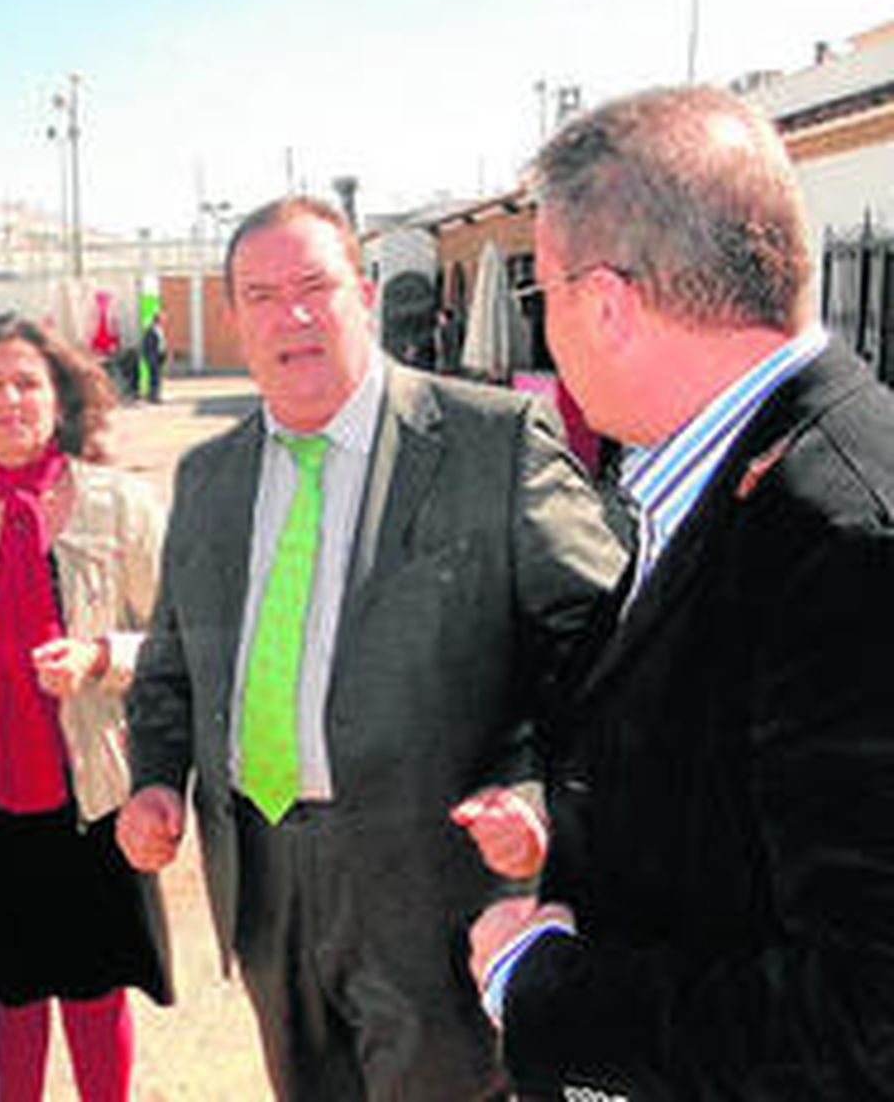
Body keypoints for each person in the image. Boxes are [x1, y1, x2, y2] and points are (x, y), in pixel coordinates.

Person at [115, 195, 625, 1100]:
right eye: (261, 295)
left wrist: (542, 797)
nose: (292, 314)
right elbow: (170, 671)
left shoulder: (491, 444)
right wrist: (156, 780)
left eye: (315, 285)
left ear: (362, 289)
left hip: (441, 891)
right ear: (235, 319)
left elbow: (607, 662)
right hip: (266, 886)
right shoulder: (206, 477)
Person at [466, 85, 894, 1100]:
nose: (549, 333)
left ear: (604, 302)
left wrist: (543, 988)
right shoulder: (741, 478)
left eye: (545, 295)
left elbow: (864, 1026)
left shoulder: (844, 539)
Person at [0, 313, 173, 1102]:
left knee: (93, 987)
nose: (9, 399)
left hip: (92, 791)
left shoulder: (120, 505)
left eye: (27, 382)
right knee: (10, 992)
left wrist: (100, 658)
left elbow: (179, 645)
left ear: (61, 399)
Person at [139, 311, 168, 403]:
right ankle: (154, 396)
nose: (165, 321)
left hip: (159, 357)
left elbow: (161, 343)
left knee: (157, 377)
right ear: (158, 320)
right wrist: (151, 359)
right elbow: (149, 346)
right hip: (153, 358)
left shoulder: (159, 329)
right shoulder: (151, 330)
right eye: (163, 319)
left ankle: (155, 394)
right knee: (154, 377)